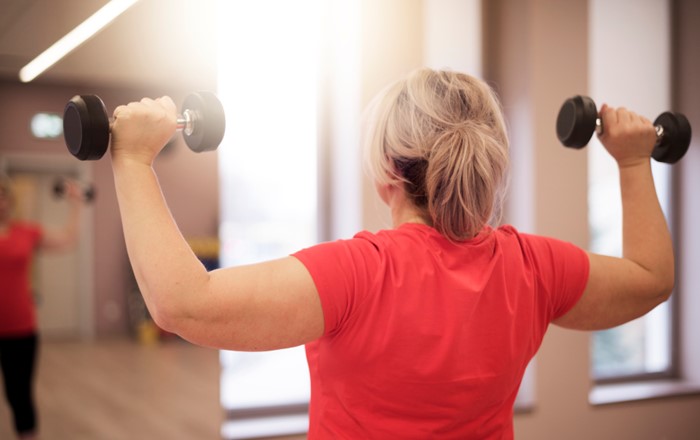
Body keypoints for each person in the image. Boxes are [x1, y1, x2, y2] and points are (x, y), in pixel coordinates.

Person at [108, 68, 673, 439]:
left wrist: (133, 160)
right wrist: (631, 161)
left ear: (386, 172)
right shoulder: (534, 268)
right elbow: (651, 277)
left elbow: (181, 303)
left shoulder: (358, 275)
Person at [0, 176, 83, 440]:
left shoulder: (26, 232)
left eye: (3, 195)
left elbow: (68, 239)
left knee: (19, 394)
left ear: (10, 201)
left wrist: (76, 204)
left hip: (21, 329)